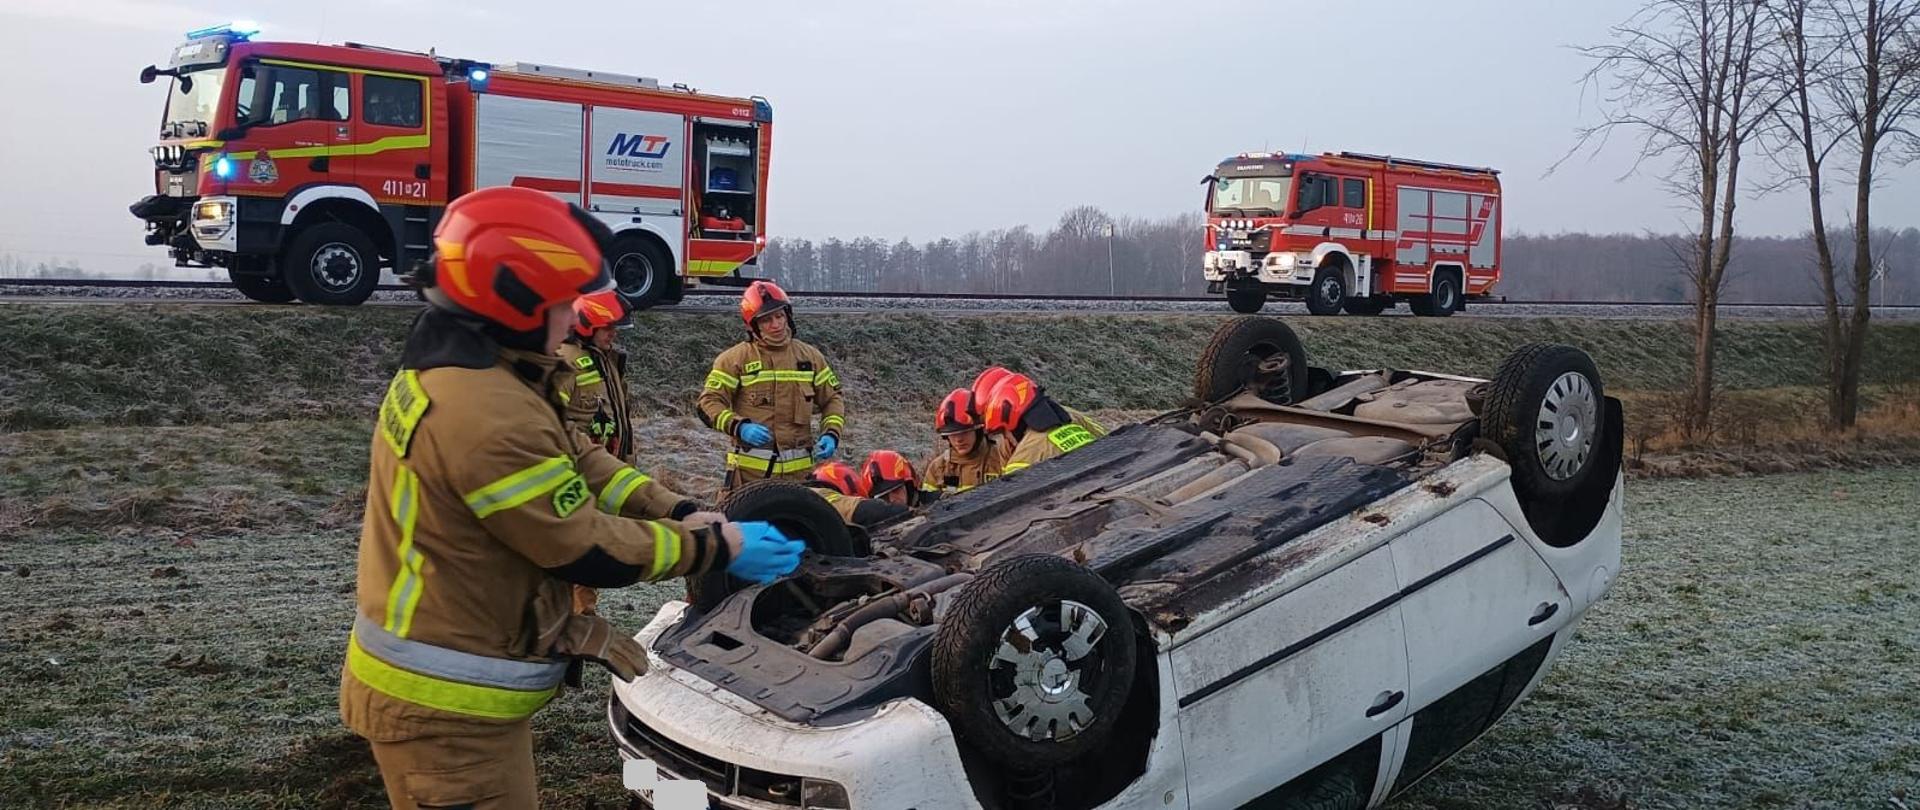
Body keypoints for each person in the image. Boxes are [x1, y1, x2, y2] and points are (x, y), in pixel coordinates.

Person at [338, 186, 806, 810]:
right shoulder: (487, 413)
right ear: (514, 302)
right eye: (561, 301)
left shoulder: (475, 371)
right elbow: (582, 547)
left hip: (448, 676)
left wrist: (677, 509)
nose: (572, 317)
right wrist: (716, 547)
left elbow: (581, 458)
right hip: (445, 707)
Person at [554, 289, 703, 615]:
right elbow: (550, 424)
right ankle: (578, 619)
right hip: (580, 477)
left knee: (600, 549)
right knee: (581, 552)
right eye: (608, 327)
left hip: (609, 471)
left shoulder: (606, 361)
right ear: (585, 326)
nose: (614, 333)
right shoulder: (565, 363)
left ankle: (582, 616)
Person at [696, 281, 846, 491]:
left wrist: (831, 433)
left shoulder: (810, 357)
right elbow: (707, 403)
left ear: (788, 316)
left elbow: (832, 399)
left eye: (779, 316)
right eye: (766, 320)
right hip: (749, 480)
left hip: (800, 479)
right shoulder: (735, 359)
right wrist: (739, 426)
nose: (776, 325)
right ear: (753, 325)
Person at [983, 372, 1102, 477]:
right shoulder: (1075, 417)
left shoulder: (1022, 461)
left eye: (1003, 432)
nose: (1005, 439)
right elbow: (1110, 439)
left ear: (1014, 426)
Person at [920, 388, 1010, 494]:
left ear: (978, 431)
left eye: (964, 432)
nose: (958, 440)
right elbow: (928, 508)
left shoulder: (1001, 459)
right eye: (952, 434)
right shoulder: (938, 468)